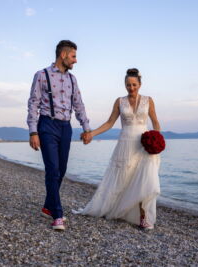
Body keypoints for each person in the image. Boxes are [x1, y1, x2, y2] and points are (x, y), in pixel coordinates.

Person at [76, 68, 161, 229]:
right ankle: (118, 209)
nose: (131, 88)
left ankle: (143, 217)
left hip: (144, 144)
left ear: (140, 84)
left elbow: (155, 122)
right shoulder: (119, 101)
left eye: (134, 84)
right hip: (125, 143)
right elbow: (109, 123)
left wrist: (157, 139)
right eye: (128, 85)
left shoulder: (148, 100)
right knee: (123, 178)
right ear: (125, 85)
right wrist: (92, 133)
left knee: (144, 179)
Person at [27, 40, 91, 231]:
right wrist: (33, 131)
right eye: (73, 56)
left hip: (66, 127)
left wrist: (86, 128)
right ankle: (57, 214)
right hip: (47, 125)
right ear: (63, 55)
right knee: (52, 169)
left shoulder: (73, 79)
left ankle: (48, 206)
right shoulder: (41, 75)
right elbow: (33, 104)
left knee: (61, 170)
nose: (76, 60)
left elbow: (79, 104)